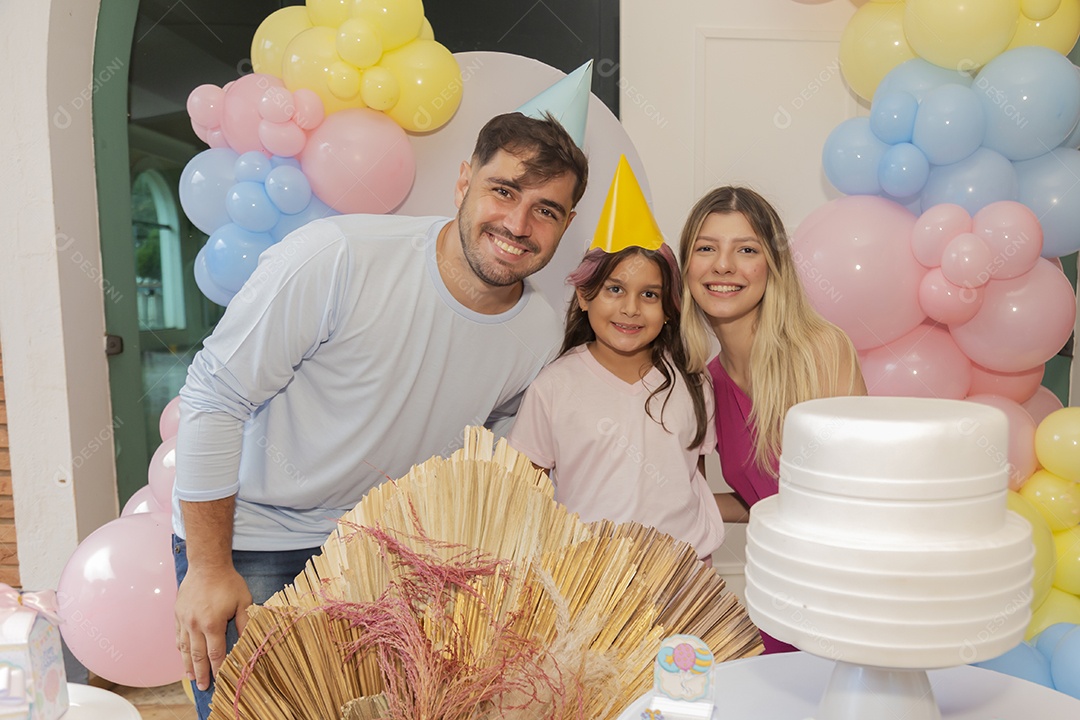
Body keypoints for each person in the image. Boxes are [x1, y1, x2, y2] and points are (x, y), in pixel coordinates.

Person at [172, 112, 588, 719]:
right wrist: (209, 567)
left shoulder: (541, 330)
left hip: (389, 557)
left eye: (546, 210)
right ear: (464, 182)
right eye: (503, 191)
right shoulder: (338, 255)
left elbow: (498, 440)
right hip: (255, 539)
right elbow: (215, 395)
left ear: (565, 224)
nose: (518, 224)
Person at [508, 158, 724, 562]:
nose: (631, 308)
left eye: (650, 295)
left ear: (669, 309)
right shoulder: (553, 387)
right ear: (586, 296)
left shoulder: (693, 384)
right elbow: (525, 497)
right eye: (614, 289)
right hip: (588, 582)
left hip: (687, 582)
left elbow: (693, 481)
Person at [679, 186, 866, 652]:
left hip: (852, 595)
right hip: (780, 595)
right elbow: (761, 498)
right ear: (686, 267)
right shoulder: (706, 382)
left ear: (772, 267)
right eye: (706, 248)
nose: (723, 266)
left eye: (746, 250)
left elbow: (864, 492)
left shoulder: (821, 350)